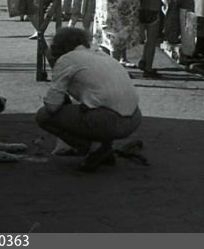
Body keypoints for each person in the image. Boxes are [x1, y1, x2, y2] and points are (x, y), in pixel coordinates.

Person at [35, 27, 142, 172]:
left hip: (109, 120)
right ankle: (105, 147)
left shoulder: (66, 59)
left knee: (43, 116)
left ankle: (94, 148)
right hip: (134, 117)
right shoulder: (102, 55)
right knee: (94, 107)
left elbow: (52, 106)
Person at [136, 0, 175, 78]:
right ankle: (148, 69)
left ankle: (143, 60)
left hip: (142, 11)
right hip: (153, 13)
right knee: (151, 42)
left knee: (146, 40)